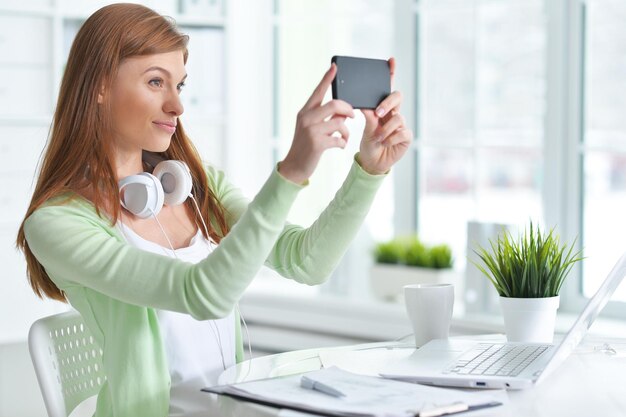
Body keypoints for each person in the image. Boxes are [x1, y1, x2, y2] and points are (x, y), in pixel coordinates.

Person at [16, 3, 411, 417]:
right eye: (155, 82)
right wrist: (292, 170)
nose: (177, 106)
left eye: (179, 86)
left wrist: (370, 169)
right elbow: (203, 294)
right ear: (98, 86)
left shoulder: (197, 189)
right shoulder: (57, 222)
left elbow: (306, 262)